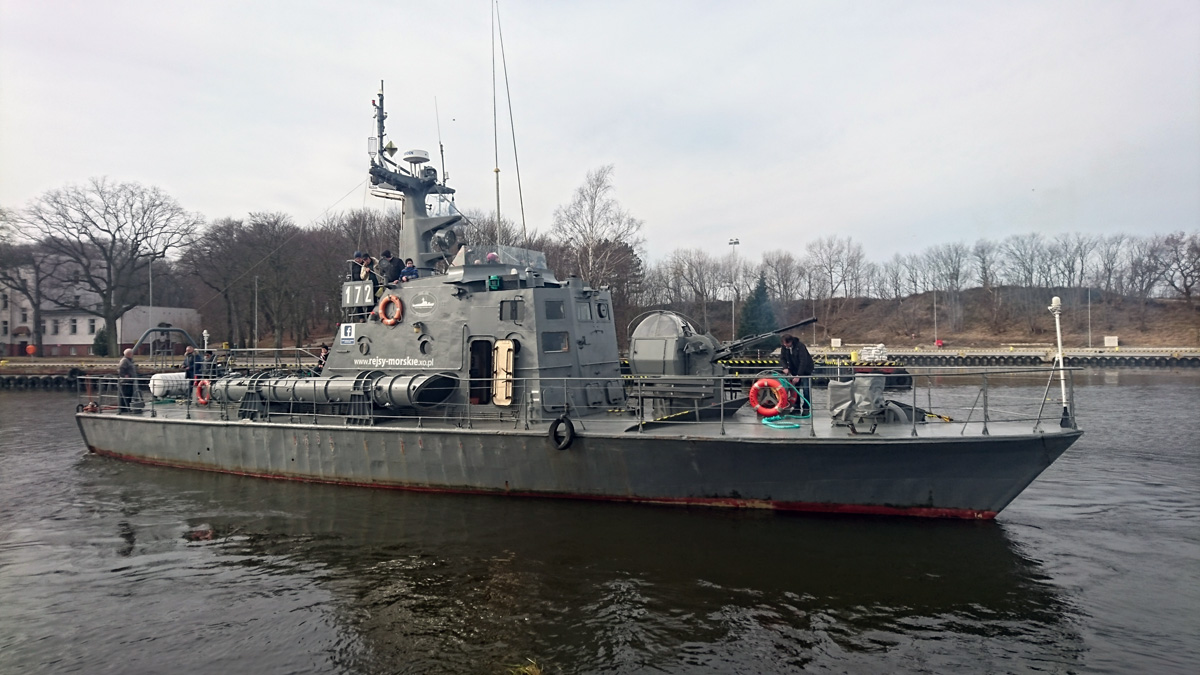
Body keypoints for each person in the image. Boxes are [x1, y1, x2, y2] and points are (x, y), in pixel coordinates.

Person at [779, 334, 814, 414]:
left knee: (806, 389)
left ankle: (806, 408)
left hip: (805, 370)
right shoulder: (784, 347)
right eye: (784, 343)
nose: (785, 345)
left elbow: (803, 361)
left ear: (791, 341)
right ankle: (796, 408)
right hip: (793, 369)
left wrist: (799, 375)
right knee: (795, 390)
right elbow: (782, 358)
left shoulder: (800, 346)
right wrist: (785, 367)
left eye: (787, 343)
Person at [118, 348, 138, 413]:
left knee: (129, 395)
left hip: (130, 381)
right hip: (125, 382)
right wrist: (124, 376)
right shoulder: (124, 360)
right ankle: (123, 408)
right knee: (125, 395)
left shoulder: (130, 360)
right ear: (129, 354)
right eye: (131, 353)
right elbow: (121, 369)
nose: (132, 354)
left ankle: (127, 407)